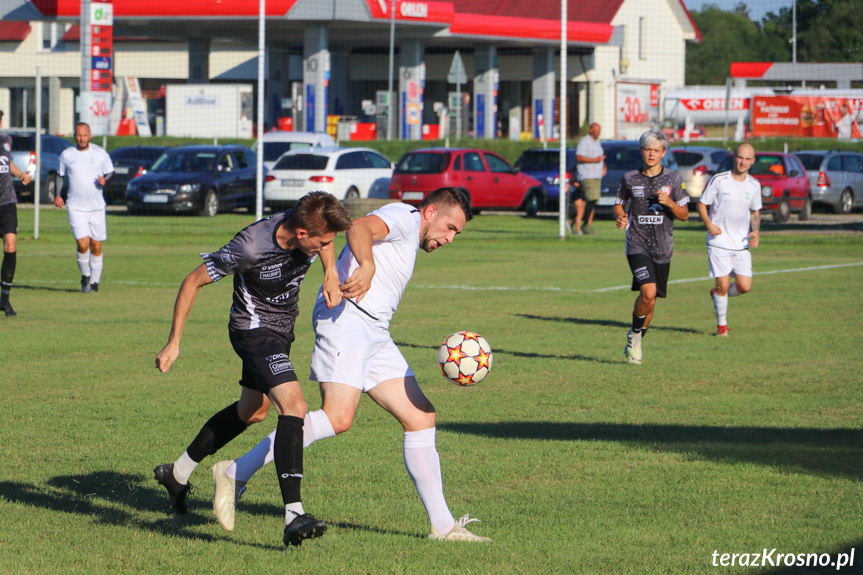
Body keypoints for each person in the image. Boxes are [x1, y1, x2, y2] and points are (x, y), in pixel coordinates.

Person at [210, 188, 491, 542]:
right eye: (450, 227)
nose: (450, 238)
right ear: (431, 212)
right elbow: (359, 227)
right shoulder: (405, 219)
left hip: (374, 330)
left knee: (421, 416)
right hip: (348, 321)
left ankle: (443, 526)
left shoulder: (407, 225)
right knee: (338, 417)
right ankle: (236, 472)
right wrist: (368, 265)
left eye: (456, 234)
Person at [153, 192, 352, 547]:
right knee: (295, 407)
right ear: (302, 233)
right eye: (323, 242)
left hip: (280, 332)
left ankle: (178, 473)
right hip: (253, 332)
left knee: (253, 411)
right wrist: (174, 342)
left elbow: (324, 243)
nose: (328, 246)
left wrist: (331, 274)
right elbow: (191, 282)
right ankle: (294, 514)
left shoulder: (308, 229)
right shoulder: (249, 247)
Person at [614, 130, 689, 365]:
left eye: (656, 150)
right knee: (647, 292)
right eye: (648, 149)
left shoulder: (674, 180)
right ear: (641, 151)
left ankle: (636, 337)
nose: (651, 153)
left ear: (663, 153)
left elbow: (685, 215)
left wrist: (669, 204)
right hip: (637, 244)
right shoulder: (629, 178)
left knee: (652, 299)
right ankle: (635, 338)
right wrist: (621, 217)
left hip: (663, 247)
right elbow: (619, 204)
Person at [697, 143, 761, 336]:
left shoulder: (754, 185)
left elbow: (755, 210)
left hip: (741, 244)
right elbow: (701, 204)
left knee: (744, 287)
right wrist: (709, 224)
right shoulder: (719, 180)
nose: (743, 162)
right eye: (740, 157)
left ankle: (717, 296)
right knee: (723, 284)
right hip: (718, 241)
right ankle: (722, 327)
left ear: (753, 161)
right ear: (735, 157)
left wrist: (756, 231)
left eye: (748, 159)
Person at [55, 123, 114, 293]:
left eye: (85, 135)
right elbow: (60, 175)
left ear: (90, 135)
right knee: (83, 244)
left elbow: (111, 173)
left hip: (96, 207)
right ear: (75, 135)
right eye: (79, 135)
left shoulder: (100, 153)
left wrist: (105, 181)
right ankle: (85, 276)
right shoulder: (67, 155)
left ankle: (94, 283)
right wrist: (58, 195)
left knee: (96, 245)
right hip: (75, 206)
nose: (82, 139)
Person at [0, 110, 33, 317]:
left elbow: (6, 162)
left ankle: (4, 299)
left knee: (11, 246)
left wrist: (21, 174)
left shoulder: (6, 140)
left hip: (7, 202)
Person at [571, 123, 604, 235]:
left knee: (593, 201)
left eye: (600, 130)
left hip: (596, 176)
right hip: (587, 175)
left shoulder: (598, 143)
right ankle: (584, 225)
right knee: (591, 200)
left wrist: (603, 167)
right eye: (596, 130)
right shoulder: (584, 141)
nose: (598, 132)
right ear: (590, 130)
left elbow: (600, 158)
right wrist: (595, 160)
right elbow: (579, 157)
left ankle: (578, 223)